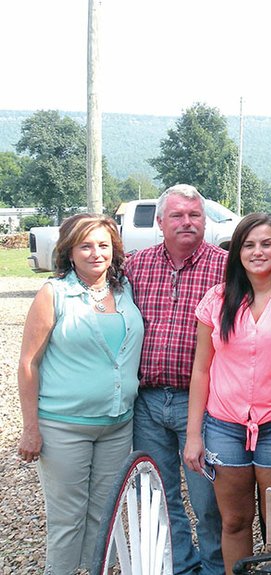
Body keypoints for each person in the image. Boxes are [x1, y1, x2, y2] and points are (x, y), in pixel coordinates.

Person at [17, 214, 144, 574]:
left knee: (105, 517)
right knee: (67, 520)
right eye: (85, 246)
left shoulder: (125, 291)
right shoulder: (53, 294)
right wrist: (31, 428)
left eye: (103, 245)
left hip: (117, 426)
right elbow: (29, 364)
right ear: (69, 252)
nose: (95, 253)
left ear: (114, 250)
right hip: (64, 427)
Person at [183, 213, 271, 573]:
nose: (258, 252)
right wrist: (193, 435)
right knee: (234, 520)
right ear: (236, 252)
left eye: (266, 244)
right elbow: (201, 369)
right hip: (225, 425)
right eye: (249, 245)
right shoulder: (217, 300)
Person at [126, 184, 226, 574]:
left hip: (198, 400)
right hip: (147, 401)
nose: (187, 222)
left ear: (205, 220)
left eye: (195, 215)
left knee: (208, 499)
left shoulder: (226, 267)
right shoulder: (137, 266)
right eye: (178, 216)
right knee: (160, 495)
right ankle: (182, 565)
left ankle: (216, 566)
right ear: (159, 221)